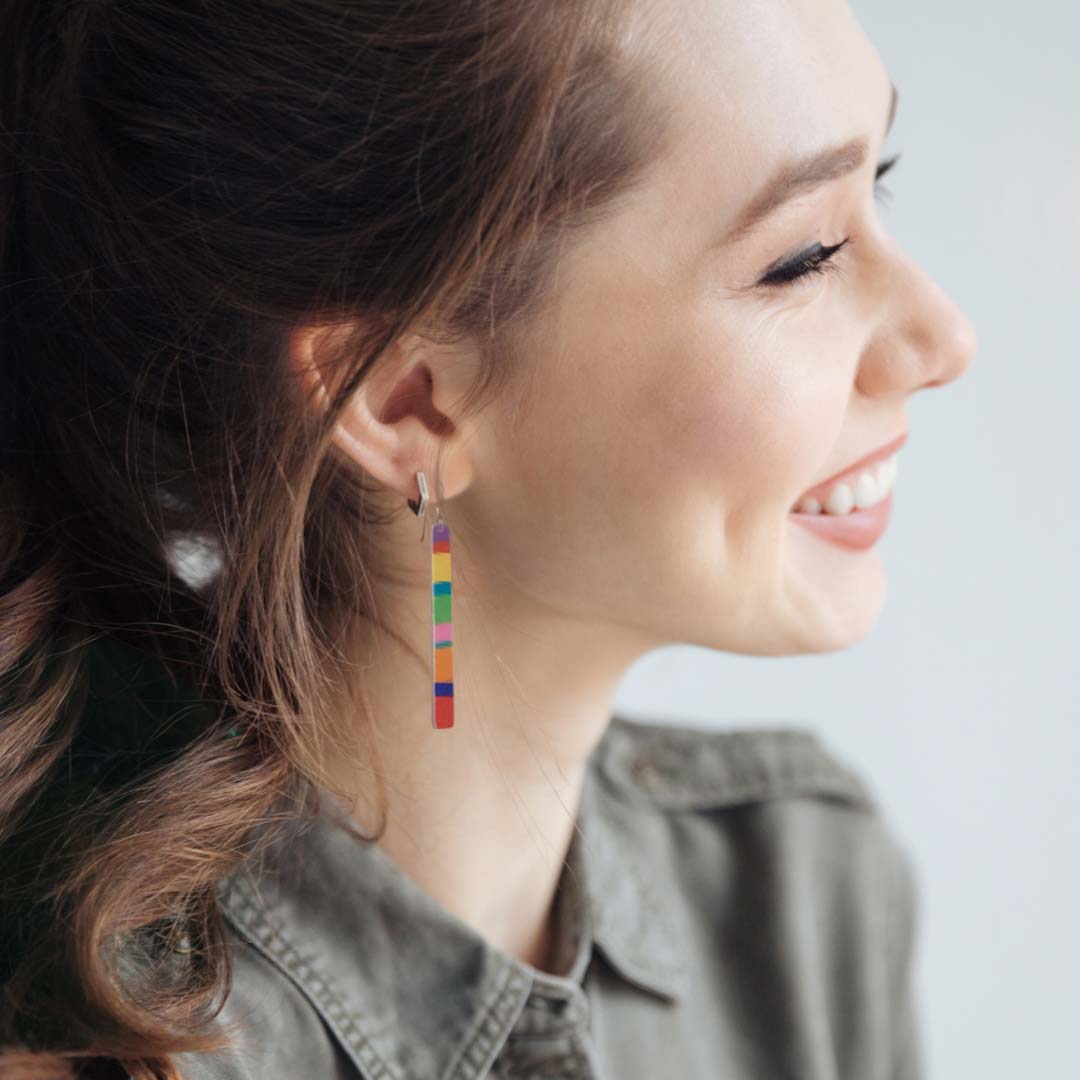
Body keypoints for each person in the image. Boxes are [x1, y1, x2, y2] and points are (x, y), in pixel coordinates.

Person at [0, 0, 977, 1077]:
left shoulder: (803, 900)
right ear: (408, 403)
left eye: (878, 182)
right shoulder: (99, 1044)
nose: (944, 338)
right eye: (806, 257)